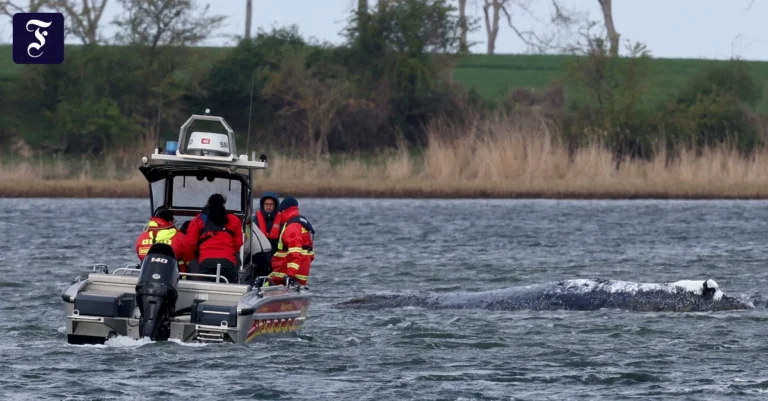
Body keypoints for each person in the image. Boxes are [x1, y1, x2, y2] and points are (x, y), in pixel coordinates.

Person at [186, 194, 244, 284]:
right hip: (228, 261)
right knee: (230, 289)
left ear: (208, 204)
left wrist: (199, 253)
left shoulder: (199, 220)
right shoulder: (234, 220)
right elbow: (238, 243)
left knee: (205, 288)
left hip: (206, 261)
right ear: (223, 204)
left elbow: (191, 243)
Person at [267, 196, 315, 287]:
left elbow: (295, 253)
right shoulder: (301, 225)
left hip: (286, 276)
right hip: (298, 274)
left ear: (284, 210)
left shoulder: (292, 227)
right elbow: (311, 255)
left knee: (264, 285)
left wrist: (290, 275)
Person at [135, 207, 195, 275]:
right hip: (175, 277)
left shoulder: (142, 237)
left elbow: (141, 255)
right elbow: (190, 261)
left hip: (147, 274)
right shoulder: (179, 237)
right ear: (170, 222)